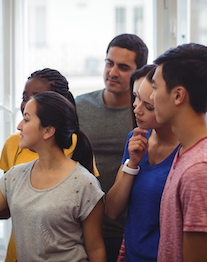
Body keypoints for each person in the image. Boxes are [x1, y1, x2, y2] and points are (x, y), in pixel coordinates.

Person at [0, 91, 107, 262]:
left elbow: (96, 248)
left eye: (27, 119)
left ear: (48, 131)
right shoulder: (16, 175)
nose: (19, 126)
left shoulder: (84, 184)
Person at [0, 68, 100, 262]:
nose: (27, 104)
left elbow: (89, 216)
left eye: (37, 97)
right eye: (24, 97)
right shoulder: (14, 144)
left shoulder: (76, 146)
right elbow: (4, 206)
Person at [75, 33, 148, 261]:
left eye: (123, 67)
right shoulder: (79, 107)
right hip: (80, 224)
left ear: (138, 72)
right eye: (109, 63)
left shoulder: (146, 115)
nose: (112, 72)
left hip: (128, 227)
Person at [105, 65, 180, 261]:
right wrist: (132, 164)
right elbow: (112, 211)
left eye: (148, 106)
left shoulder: (187, 152)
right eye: (136, 97)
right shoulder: (136, 138)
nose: (136, 108)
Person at [151, 43, 207, 261]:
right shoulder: (185, 150)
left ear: (178, 95)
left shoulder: (198, 170)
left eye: (155, 88)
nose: (151, 97)